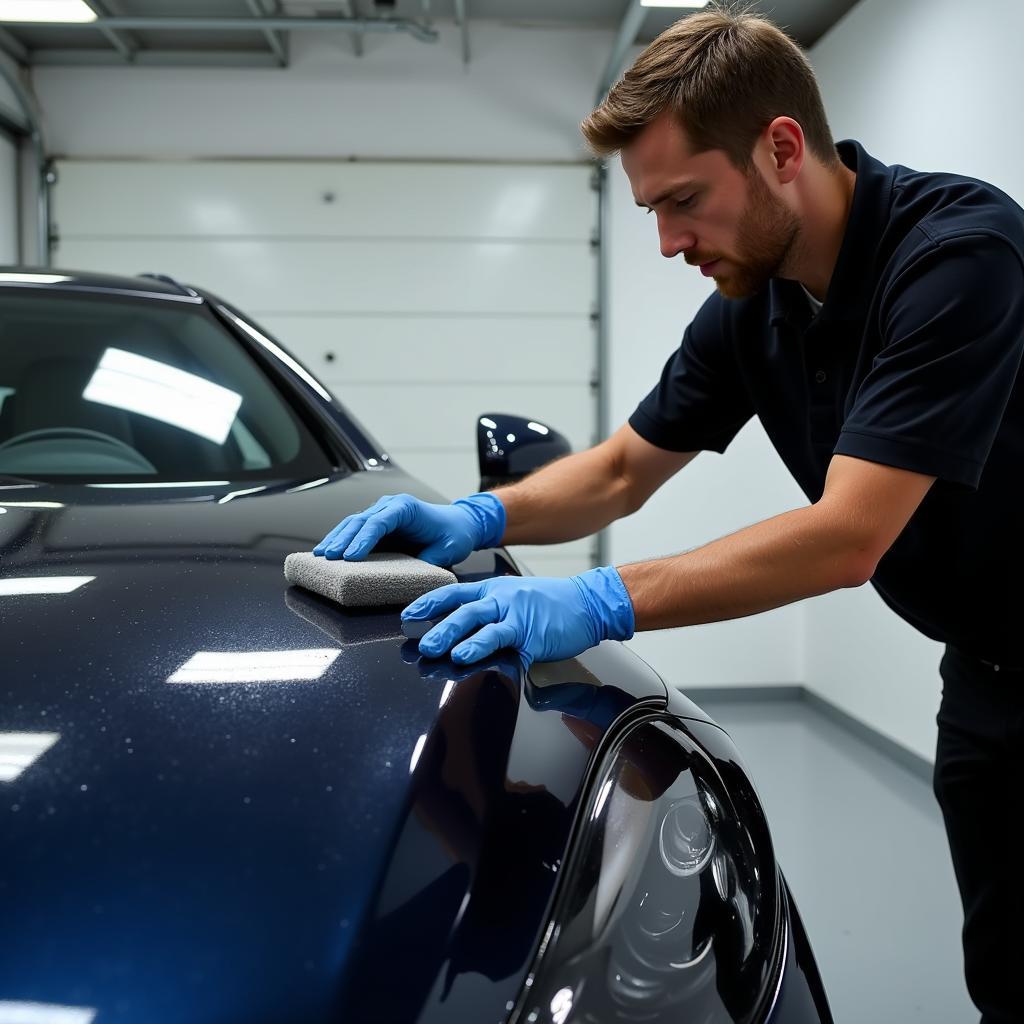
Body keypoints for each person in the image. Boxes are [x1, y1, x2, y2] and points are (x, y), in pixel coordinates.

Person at [313, 8, 1024, 1020]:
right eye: (651, 209)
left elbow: (847, 535)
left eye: (683, 201)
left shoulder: (959, 258)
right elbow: (617, 472)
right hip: (985, 674)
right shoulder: (757, 301)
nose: (665, 241)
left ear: (781, 149)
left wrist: (601, 600)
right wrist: (475, 516)